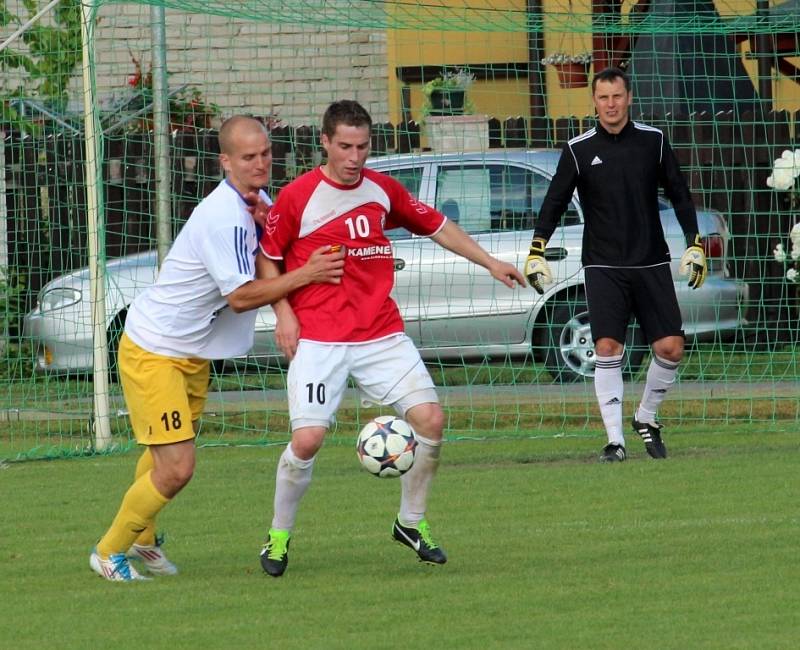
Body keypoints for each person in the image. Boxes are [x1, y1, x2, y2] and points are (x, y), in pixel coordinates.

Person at [257, 99, 526, 577]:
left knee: (431, 420)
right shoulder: (297, 197)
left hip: (381, 332)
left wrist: (490, 262)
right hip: (320, 337)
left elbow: (438, 226)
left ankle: (411, 522)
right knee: (308, 439)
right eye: (344, 146)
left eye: (362, 146)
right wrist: (283, 313)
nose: (354, 157)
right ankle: (278, 537)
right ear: (325, 142)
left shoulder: (383, 190)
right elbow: (269, 258)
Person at [89, 115, 345, 581]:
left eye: (266, 153)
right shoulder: (222, 215)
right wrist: (306, 275)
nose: (261, 163)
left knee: (164, 454)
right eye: (249, 157)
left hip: (191, 352)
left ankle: (144, 541)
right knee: (178, 467)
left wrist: (275, 241)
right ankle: (109, 551)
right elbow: (242, 295)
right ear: (225, 161)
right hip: (154, 350)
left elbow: (268, 256)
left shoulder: (255, 202)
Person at [523, 67, 707, 463]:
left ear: (628, 97)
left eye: (617, 96)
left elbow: (679, 193)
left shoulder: (653, 141)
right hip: (603, 265)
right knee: (607, 346)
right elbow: (554, 201)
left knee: (671, 348)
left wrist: (695, 244)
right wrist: (537, 249)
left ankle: (647, 417)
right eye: (603, 97)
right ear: (594, 101)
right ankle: (615, 441)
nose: (611, 104)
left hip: (651, 261)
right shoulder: (578, 149)